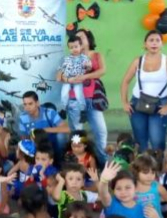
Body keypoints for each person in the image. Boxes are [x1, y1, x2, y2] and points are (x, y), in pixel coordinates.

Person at [120, 30, 167, 153]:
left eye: (157, 40)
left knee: (157, 141)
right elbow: (125, 82)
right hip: (138, 103)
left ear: (162, 44)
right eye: (151, 40)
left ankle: (157, 169)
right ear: (145, 44)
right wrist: (125, 102)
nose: (154, 43)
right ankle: (142, 169)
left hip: (160, 104)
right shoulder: (138, 60)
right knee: (140, 141)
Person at [66, 28, 109, 164]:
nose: (79, 40)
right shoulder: (71, 58)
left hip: (93, 99)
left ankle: (103, 163)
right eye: (76, 37)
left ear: (88, 39)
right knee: (77, 134)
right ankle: (77, 164)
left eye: (82, 37)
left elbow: (102, 71)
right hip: (75, 100)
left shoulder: (97, 55)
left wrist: (84, 76)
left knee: (101, 132)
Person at [18, 91, 70, 160]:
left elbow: (67, 129)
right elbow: (24, 137)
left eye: (30, 104)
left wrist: (44, 130)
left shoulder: (50, 112)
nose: (27, 107)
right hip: (36, 146)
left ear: (37, 103)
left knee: (61, 136)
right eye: (25, 104)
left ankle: (60, 159)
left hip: (53, 143)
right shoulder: (22, 118)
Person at [57, 36, 91, 114]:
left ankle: (83, 110)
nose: (74, 49)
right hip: (67, 79)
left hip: (77, 79)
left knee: (79, 94)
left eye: (76, 47)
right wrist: (61, 75)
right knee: (64, 93)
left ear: (81, 46)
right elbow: (62, 68)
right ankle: (63, 109)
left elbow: (88, 68)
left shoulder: (84, 58)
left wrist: (87, 66)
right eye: (71, 47)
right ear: (69, 48)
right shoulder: (66, 58)